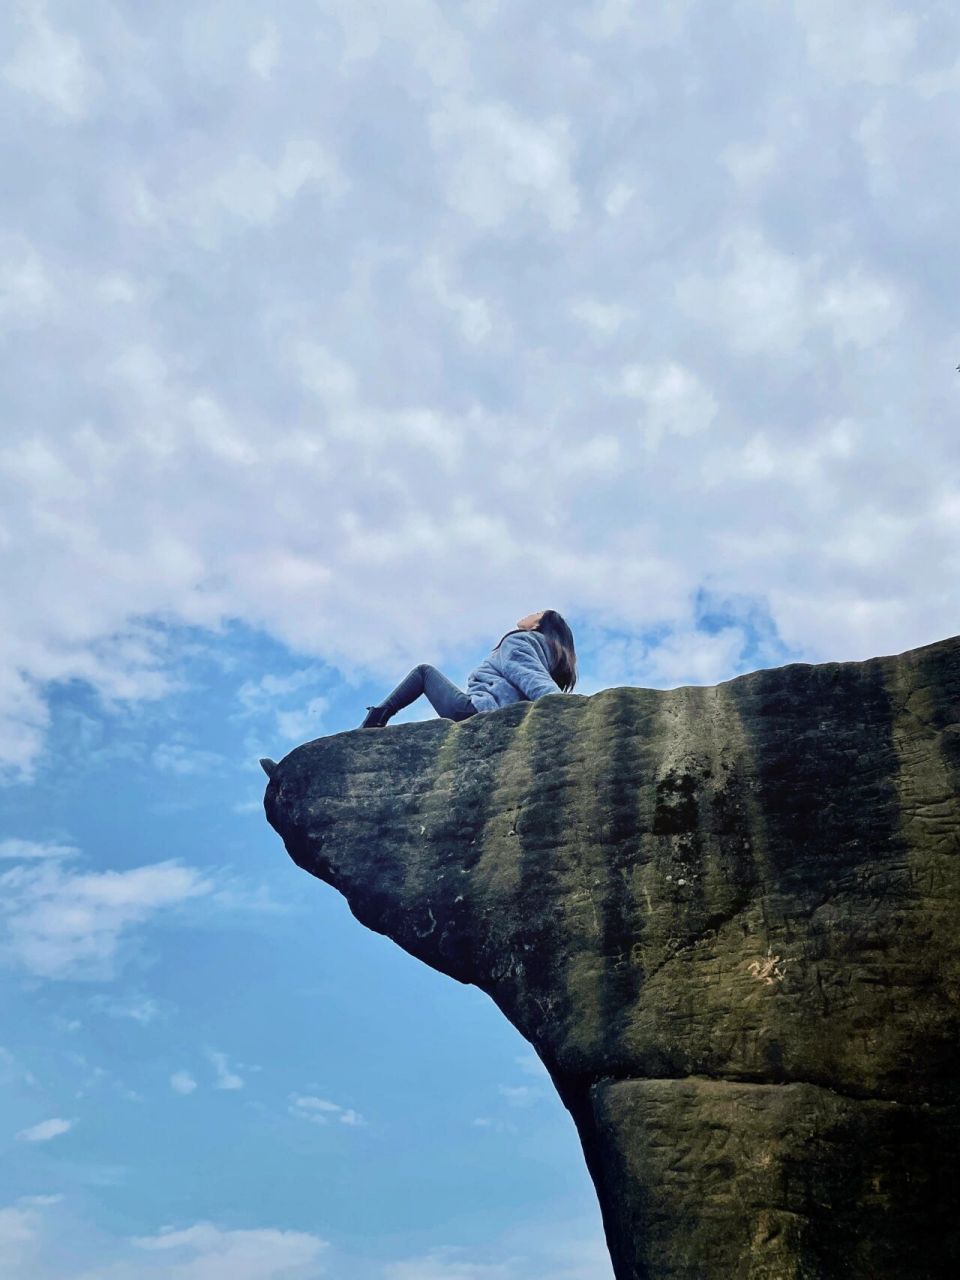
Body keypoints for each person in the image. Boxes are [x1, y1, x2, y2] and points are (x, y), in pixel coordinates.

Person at [358, 609, 577, 728]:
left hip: (479, 711)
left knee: (424, 673)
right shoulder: (546, 654)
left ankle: (375, 719)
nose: (530, 612)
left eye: (537, 612)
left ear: (538, 625)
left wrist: (559, 704)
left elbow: (528, 674)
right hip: (499, 714)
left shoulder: (520, 641)